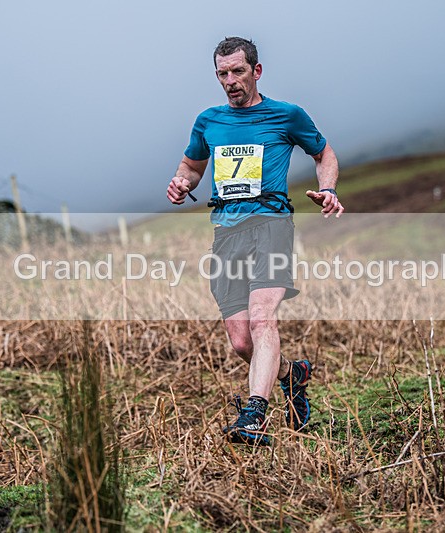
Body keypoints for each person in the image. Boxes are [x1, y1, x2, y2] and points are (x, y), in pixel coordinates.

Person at [166, 37, 344, 446]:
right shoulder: (208, 121)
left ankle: (254, 416)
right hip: (226, 233)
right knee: (241, 340)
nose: (230, 81)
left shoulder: (286, 115)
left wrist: (328, 189)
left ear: (256, 71)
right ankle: (291, 374)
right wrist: (181, 183)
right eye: (222, 74)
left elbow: (324, 154)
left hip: (272, 224)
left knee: (264, 317)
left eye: (238, 72)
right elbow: (191, 166)